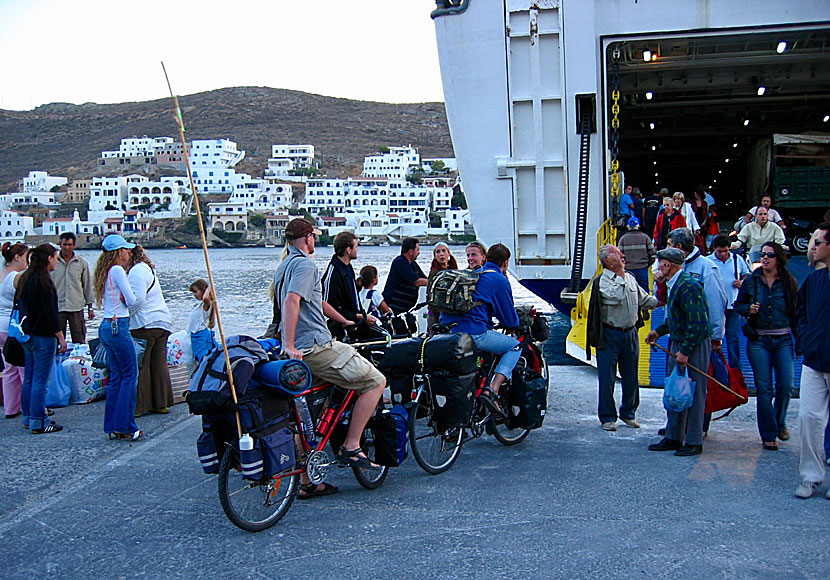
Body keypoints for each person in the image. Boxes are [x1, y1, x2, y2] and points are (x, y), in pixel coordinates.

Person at [274, 218, 385, 497]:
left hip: (304, 345)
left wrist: (345, 320)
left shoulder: (284, 265)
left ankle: (309, 481)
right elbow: (292, 301)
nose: (315, 241)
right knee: (374, 381)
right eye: (314, 236)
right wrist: (290, 344)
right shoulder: (305, 264)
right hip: (314, 347)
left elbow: (317, 301)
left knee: (308, 413)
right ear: (307, 238)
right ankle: (352, 445)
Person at [646, 247, 711, 456]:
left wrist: (685, 351)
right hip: (679, 341)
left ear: (667, 266)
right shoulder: (675, 284)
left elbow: (698, 323)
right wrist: (659, 331)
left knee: (693, 391)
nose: (657, 267)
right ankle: (674, 436)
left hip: (692, 344)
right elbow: (677, 317)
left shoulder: (688, 286)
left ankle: (693, 440)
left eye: (659, 263)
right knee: (676, 388)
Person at [734, 242, 798, 452]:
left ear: (778, 258)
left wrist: (801, 342)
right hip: (759, 340)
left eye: (769, 255)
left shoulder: (788, 281)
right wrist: (748, 309)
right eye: (762, 255)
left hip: (783, 339)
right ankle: (768, 433)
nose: (765, 258)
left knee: (786, 386)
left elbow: (797, 312)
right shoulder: (751, 281)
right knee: (764, 389)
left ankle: (779, 422)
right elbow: (738, 305)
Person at [440, 243, 521, 405]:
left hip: (447, 330)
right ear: (506, 263)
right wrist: (516, 324)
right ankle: (492, 389)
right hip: (473, 333)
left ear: (486, 258)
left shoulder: (473, 274)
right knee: (514, 347)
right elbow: (509, 320)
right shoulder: (499, 279)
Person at [595, 245, 659, 431]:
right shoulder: (604, 282)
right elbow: (616, 296)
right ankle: (607, 416)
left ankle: (629, 412)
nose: (622, 255)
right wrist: (621, 274)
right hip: (609, 334)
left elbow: (644, 300)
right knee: (607, 378)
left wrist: (664, 298)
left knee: (631, 376)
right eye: (617, 253)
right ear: (608, 260)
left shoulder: (630, 278)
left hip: (630, 333)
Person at [16, 244, 68, 433]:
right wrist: (61, 337)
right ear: (49, 259)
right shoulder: (44, 282)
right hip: (43, 336)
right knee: (41, 381)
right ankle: (40, 420)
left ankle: (28, 417)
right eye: (55, 258)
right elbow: (51, 314)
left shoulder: (26, 279)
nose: (56, 261)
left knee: (29, 378)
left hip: (28, 335)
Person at [94, 235, 141, 440]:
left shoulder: (104, 271)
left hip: (106, 325)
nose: (129, 252)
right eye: (126, 249)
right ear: (118, 251)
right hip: (118, 325)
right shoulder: (118, 270)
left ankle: (112, 424)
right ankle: (126, 425)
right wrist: (127, 294)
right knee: (130, 375)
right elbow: (131, 300)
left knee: (116, 377)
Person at [796, 224, 830, 498]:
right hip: (814, 360)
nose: (813, 246)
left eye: (818, 242)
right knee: (808, 418)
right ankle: (810, 476)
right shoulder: (814, 280)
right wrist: (806, 339)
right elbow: (802, 312)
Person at [128, 245, 174, 417]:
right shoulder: (148, 269)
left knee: (142, 365)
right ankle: (161, 403)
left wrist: (126, 315)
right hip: (162, 321)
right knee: (159, 364)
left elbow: (138, 299)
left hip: (145, 323)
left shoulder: (136, 271)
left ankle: (138, 406)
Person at [322, 231, 376, 340]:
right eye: (356, 247)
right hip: (341, 327)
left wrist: (362, 316)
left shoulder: (348, 268)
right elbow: (328, 307)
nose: (357, 250)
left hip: (355, 320)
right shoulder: (334, 273)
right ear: (348, 250)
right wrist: (359, 317)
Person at [707, 235, 751, 369]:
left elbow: (747, 274)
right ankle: (712, 368)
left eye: (726, 251)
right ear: (714, 249)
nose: (723, 254)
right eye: (720, 251)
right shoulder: (707, 261)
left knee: (733, 338)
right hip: (714, 307)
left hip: (733, 305)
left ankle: (734, 369)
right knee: (711, 339)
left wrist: (743, 282)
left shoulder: (738, 260)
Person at [0, 242, 28, 419]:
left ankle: (11, 408)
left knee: (9, 367)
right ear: (17, 258)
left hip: (0, 324)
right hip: (13, 326)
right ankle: (30, 406)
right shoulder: (15, 277)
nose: (28, 262)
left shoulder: (1, 275)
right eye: (26, 258)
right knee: (25, 368)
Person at [52, 232, 94, 344]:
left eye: (70, 245)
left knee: (79, 338)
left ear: (74, 245)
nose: (67, 247)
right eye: (64, 244)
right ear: (60, 244)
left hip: (76, 307)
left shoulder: (81, 263)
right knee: (56, 340)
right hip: (58, 307)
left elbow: (87, 285)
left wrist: (90, 307)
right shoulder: (53, 262)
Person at [383, 237, 428, 335]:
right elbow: (417, 281)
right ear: (411, 251)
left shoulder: (413, 264)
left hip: (404, 310)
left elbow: (424, 279)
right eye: (417, 250)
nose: (419, 253)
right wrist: (436, 282)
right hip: (393, 307)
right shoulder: (400, 262)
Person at [616, 217, 655, 291]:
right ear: (639, 226)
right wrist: (647, 264)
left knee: (629, 291)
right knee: (644, 291)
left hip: (629, 270)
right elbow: (652, 254)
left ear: (628, 227)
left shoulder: (623, 239)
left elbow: (619, 256)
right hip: (643, 269)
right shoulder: (645, 238)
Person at [427, 242, 459, 327]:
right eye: (438, 252)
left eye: (443, 251)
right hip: (435, 314)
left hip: (451, 312)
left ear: (448, 253)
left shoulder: (455, 271)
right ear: (435, 256)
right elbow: (430, 296)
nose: (441, 254)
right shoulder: (434, 273)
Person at [187, 279, 216, 363]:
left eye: (195, 292)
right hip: (196, 333)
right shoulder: (200, 305)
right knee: (201, 355)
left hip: (200, 334)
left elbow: (206, 298)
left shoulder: (207, 304)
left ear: (203, 291)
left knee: (201, 356)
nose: (194, 295)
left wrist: (208, 289)